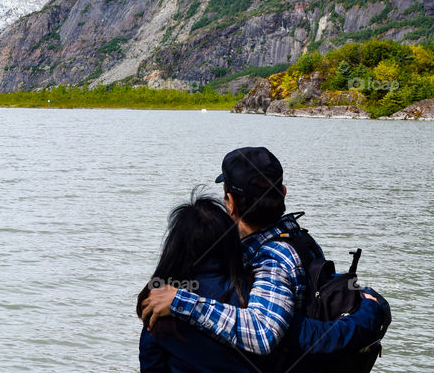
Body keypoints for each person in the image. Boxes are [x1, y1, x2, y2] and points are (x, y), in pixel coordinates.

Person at [140, 147, 387, 355]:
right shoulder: (299, 238)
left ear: (230, 203)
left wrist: (180, 301)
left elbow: (263, 333)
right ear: (283, 193)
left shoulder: (272, 257)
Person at [138, 193, 282, 373]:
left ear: (176, 246)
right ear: (230, 242)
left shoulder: (159, 305)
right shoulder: (259, 297)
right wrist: (361, 307)